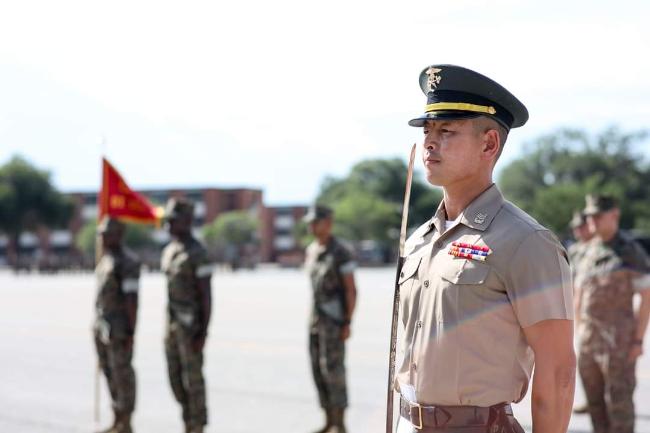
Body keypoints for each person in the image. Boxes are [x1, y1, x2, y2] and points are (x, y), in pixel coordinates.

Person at [395, 64, 575, 433]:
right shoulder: (418, 241)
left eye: (447, 131)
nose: (430, 142)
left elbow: (557, 370)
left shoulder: (525, 242)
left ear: (489, 144)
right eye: (428, 130)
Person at [574, 194, 650, 433]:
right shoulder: (585, 251)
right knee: (596, 407)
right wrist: (578, 334)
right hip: (588, 342)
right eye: (589, 216)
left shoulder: (629, 251)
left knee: (620, 408)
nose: (592, 221)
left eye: (597, 215)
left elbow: (646, 297)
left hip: (619, 344)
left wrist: (638, 340)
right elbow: (578, 294)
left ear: (614, 215)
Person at [161, 198, 213, 433]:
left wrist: (203, 331)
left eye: (174, 220)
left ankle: (197, 426)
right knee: (174, 377)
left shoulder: (197, 253)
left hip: (191, 326)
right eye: (168, 220)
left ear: (188, 221)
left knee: (193, 379)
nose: (169, 225)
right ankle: (187, 419)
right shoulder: (170, 251)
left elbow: (206, 295)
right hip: (171, 324)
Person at [304, 205, 358, 433]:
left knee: (334, 372)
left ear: (328, 223)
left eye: (316, 222)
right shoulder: (312, 250)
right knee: (318, 371)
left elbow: (351, 290)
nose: (311, 226)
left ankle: (340, 424)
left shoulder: (340, 251)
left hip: (334, 322)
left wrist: (347, 322)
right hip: (315, 322)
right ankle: (328, 419)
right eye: (310, 222)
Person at [93, 217, 141, 433]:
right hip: (103, 327)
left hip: (119, 329)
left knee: (123, 375)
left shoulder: (127, 262)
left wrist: (130, 332)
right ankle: (117, 418)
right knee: (110, 373)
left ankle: (127, 421)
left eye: (107, 233)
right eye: (101, 233)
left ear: (119, 235)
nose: (102, 237)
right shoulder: (106, 259)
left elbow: (132, 301)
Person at [567, 210, 594, 415]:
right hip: (577, 311)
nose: (578, 230)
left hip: (596, 315)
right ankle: (589, 399)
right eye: (575, 227)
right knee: (584, 361)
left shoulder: (598, 250)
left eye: (581, 226)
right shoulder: (575, 250)